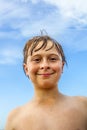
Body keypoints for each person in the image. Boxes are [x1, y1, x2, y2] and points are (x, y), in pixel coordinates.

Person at [5, 35, 87, 130]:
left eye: (52, 59)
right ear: (26, 69)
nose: (45, 65)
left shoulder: (83, 106)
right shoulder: (15, 118)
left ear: (62, 66)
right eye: (37, 60)